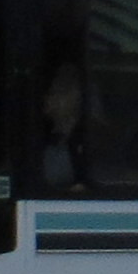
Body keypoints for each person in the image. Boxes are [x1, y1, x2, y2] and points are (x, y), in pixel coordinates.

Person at [40, 61, 85, 192]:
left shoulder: (89, 139)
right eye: (49, 93)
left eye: (55, 92)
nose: (47, 98)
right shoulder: (41, 135)